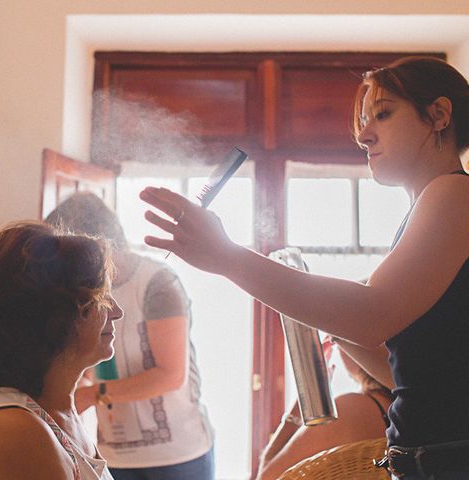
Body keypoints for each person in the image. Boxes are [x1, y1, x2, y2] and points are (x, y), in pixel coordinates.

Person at [140, 56, 469, 479]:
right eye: (363, 122)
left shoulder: (452, 195)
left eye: (383, 115)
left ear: (440, 114)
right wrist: (332, 321)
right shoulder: (432, 206)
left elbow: (372, 314)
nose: (364, 136)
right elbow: (414, 373)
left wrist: (224, 255)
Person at [46, 192, 214, 480]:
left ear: (94, 242)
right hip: (114, 453)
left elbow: (171, 375)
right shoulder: (80, 290)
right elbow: (88, 362)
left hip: (178, 455)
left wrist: (93, 393)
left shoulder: (157, 283)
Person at [0, 221, 123, 480]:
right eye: (100, 300)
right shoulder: (15, 429)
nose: (117, 312)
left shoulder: (58, 411)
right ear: (55, 318)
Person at [257, 340, 394, 480]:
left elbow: (266, 477)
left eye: (337, 340)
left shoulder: (350, 410)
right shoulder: (403, 410)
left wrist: (304, 397)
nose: (338, 350)